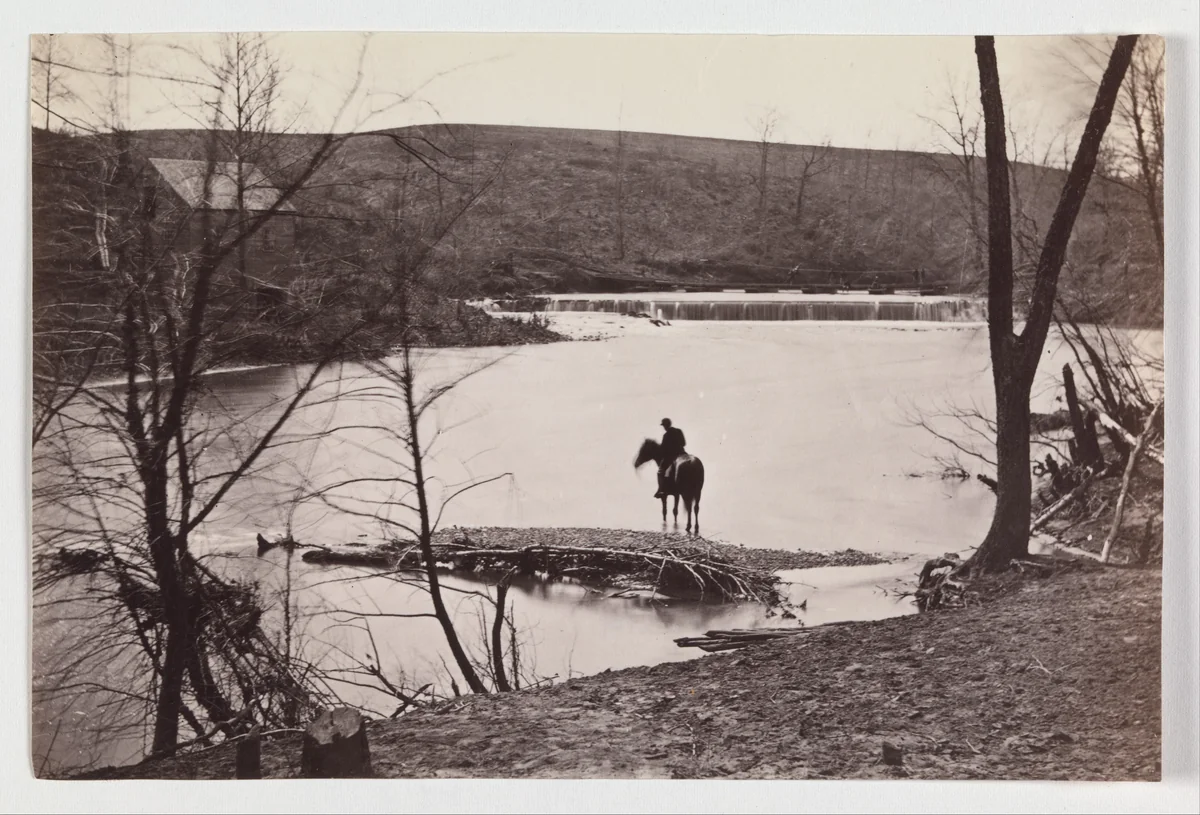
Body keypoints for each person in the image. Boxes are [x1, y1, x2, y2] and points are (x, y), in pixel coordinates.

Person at [654, 418, 687, 498]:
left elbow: (663, 449)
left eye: (664, 426)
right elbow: (684, 443)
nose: (664, 427)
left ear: (665, 426)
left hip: (672, 456)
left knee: (660, 471)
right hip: (682, 454)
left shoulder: (666, 436)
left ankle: (661, 490)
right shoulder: (679, 431)